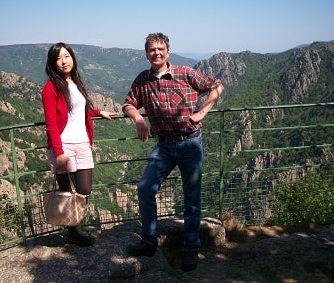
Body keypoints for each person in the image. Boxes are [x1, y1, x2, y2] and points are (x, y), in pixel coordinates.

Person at [122, 33, 224, 271]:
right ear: (146, 53)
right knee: (145, 188)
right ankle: (149, 241)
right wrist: (137, 117)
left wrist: (201, 113)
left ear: (168, 51)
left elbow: (217, 87)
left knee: (192, 200)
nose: (156, 53)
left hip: (190, 143)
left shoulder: (185, 73)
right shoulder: (142, 80)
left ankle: (191, 249)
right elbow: (127, 103)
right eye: (151, 50)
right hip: (164, 146)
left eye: (160, 49)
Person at [42, 42, 117, 247]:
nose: (63, 61)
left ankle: (75, 227)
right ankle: (73, 231)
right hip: (63, 146)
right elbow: (50, 124)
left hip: (82, 143)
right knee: (67, 192)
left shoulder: (75, 82)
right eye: (58, 58)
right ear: (52, 63)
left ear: (72, 58)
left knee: (84, 189)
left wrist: (97, 112)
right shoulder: (50, 88)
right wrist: (58, 153)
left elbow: (77, 112)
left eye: (66, 56)